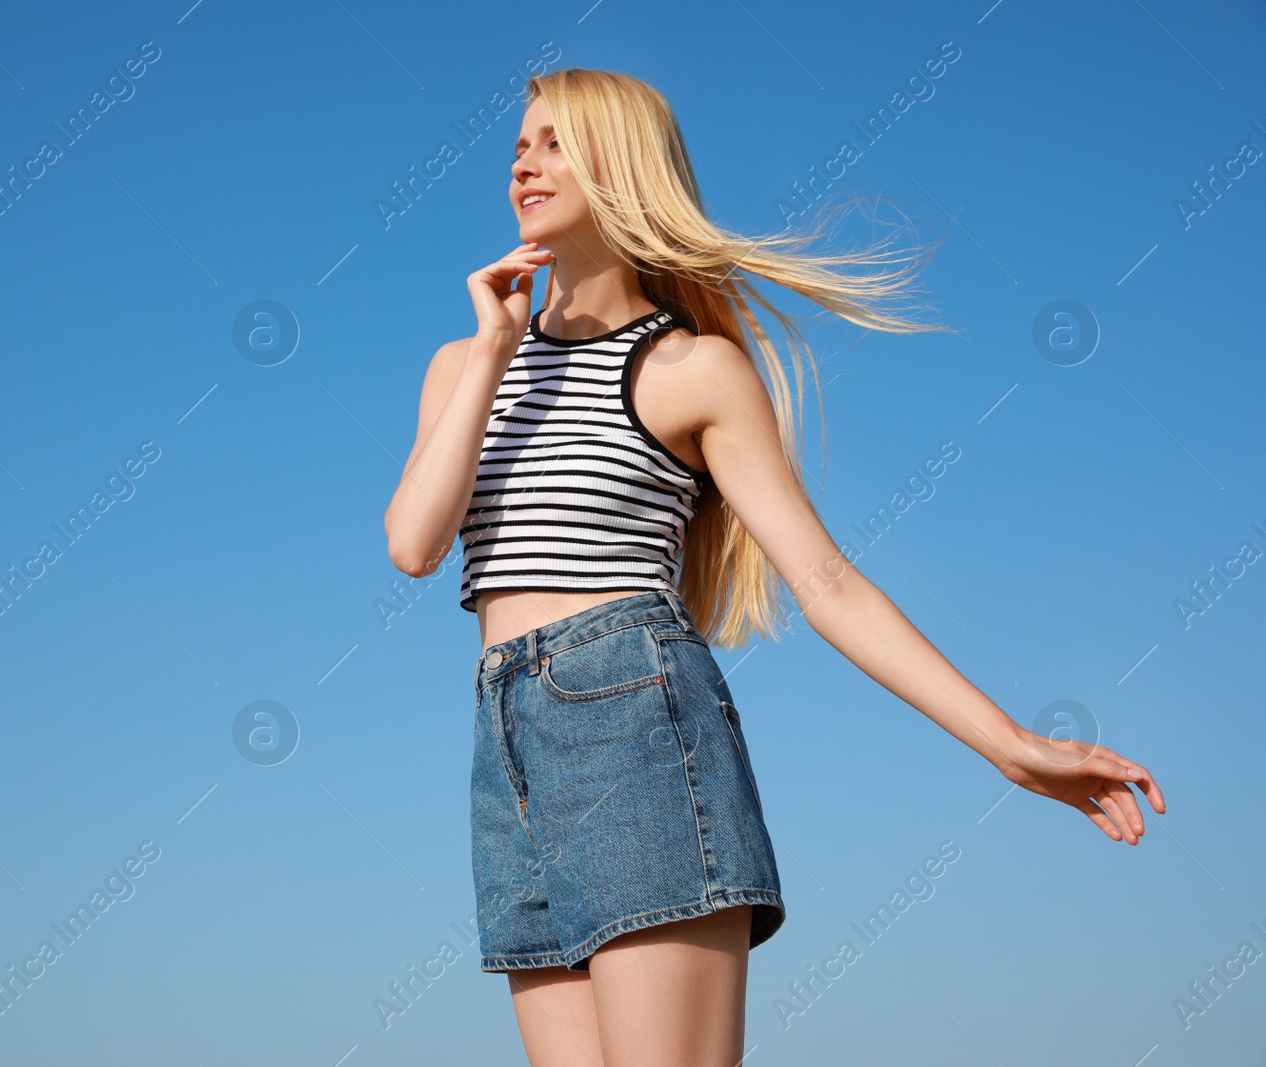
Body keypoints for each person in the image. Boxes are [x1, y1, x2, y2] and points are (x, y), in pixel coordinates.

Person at [382, 67, 1165, 1067]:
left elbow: (825, 580)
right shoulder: (464, 364)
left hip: (631, 721)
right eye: (518, 147)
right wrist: (493, 347)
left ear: (622, 164)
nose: (524, 163)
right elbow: (413, 545)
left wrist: (1011, 744)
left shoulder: (688, 368)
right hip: (506, 740)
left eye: (555, 141)